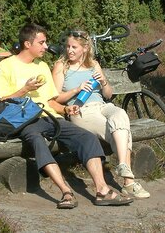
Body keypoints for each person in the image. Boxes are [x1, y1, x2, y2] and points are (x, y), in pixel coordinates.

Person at [0, 23, 133, 209]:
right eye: (41, 43)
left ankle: (102, 190)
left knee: (87, 138)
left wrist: (66, 110)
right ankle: (66, 192)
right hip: (25, 119)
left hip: (51, 118)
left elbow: (51, 101)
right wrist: (24, 90)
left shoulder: (42, 66)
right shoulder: (7, 66)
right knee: (38, 142)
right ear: (28, 44)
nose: (46, 47)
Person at [51, 30, 150, 199]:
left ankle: (123, 168)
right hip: (81, 110)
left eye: (74, 47)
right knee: (121, 132)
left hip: (102, 106)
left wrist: (104, 82)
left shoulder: (94, 64)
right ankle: (129, 182)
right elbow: (55, 98)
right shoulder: (62, 66)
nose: (70, 50)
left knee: (120, 114)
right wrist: (77, 89)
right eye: (67, 46)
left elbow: (108, 95)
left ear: (85, 48)